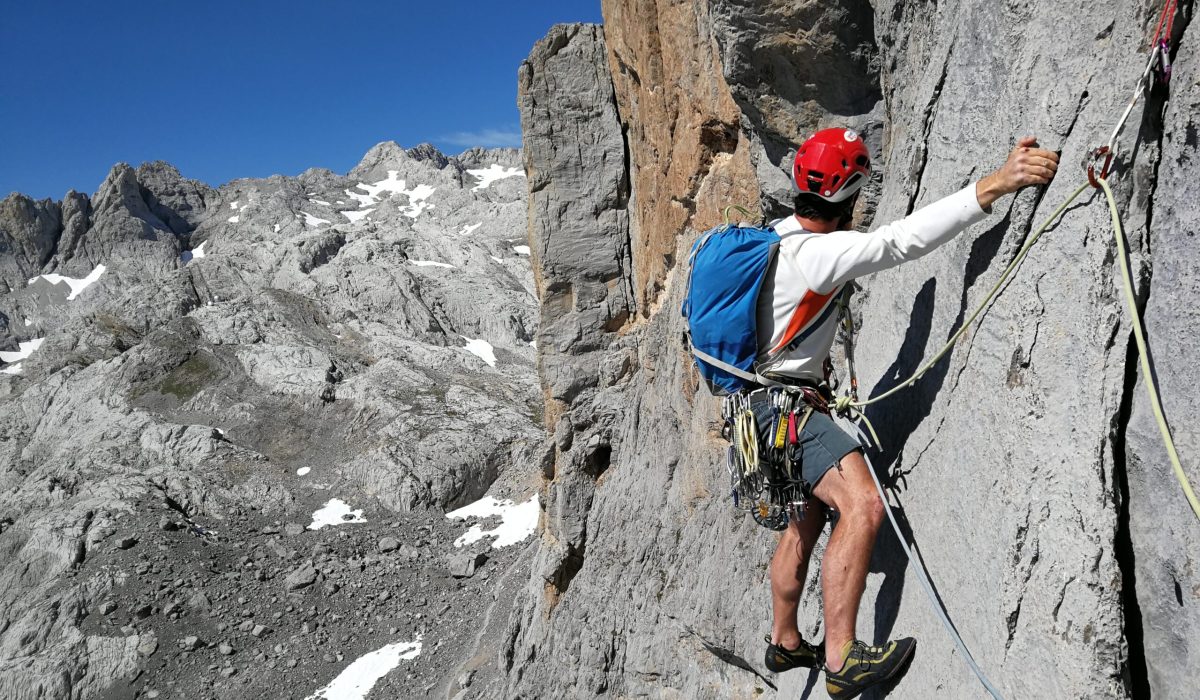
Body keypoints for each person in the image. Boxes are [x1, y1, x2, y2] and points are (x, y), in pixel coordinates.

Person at [756, 128, 1059, 699]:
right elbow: (901, 242)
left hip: (759, 417)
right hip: (788, 413)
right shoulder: (821, 252)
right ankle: (843, 660)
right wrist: (997, 183)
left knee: (809, 517)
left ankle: (786, 640)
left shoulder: (773, 240)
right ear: (847, 189)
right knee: (863, 505)